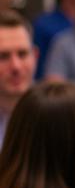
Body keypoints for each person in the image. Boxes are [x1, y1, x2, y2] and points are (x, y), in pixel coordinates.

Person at [0, 9, 37, 146]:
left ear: (35, 56)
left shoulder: (56, 114)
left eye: (22, 54)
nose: (16, 66)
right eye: (3, 56)